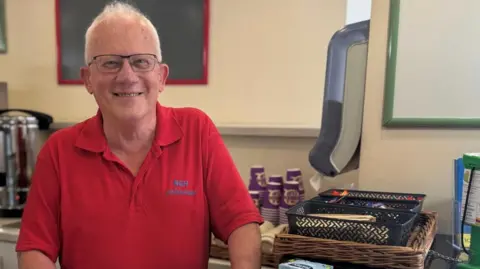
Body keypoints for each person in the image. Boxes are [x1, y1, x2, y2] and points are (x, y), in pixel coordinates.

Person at [16, 2, 263, 269]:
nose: (127, 76)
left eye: (141, 62)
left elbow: (241, 223)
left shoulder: (197, 131)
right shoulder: (58, 151)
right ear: (87, 79)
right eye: (110, 63)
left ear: (161, 77)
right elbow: (34, 250)